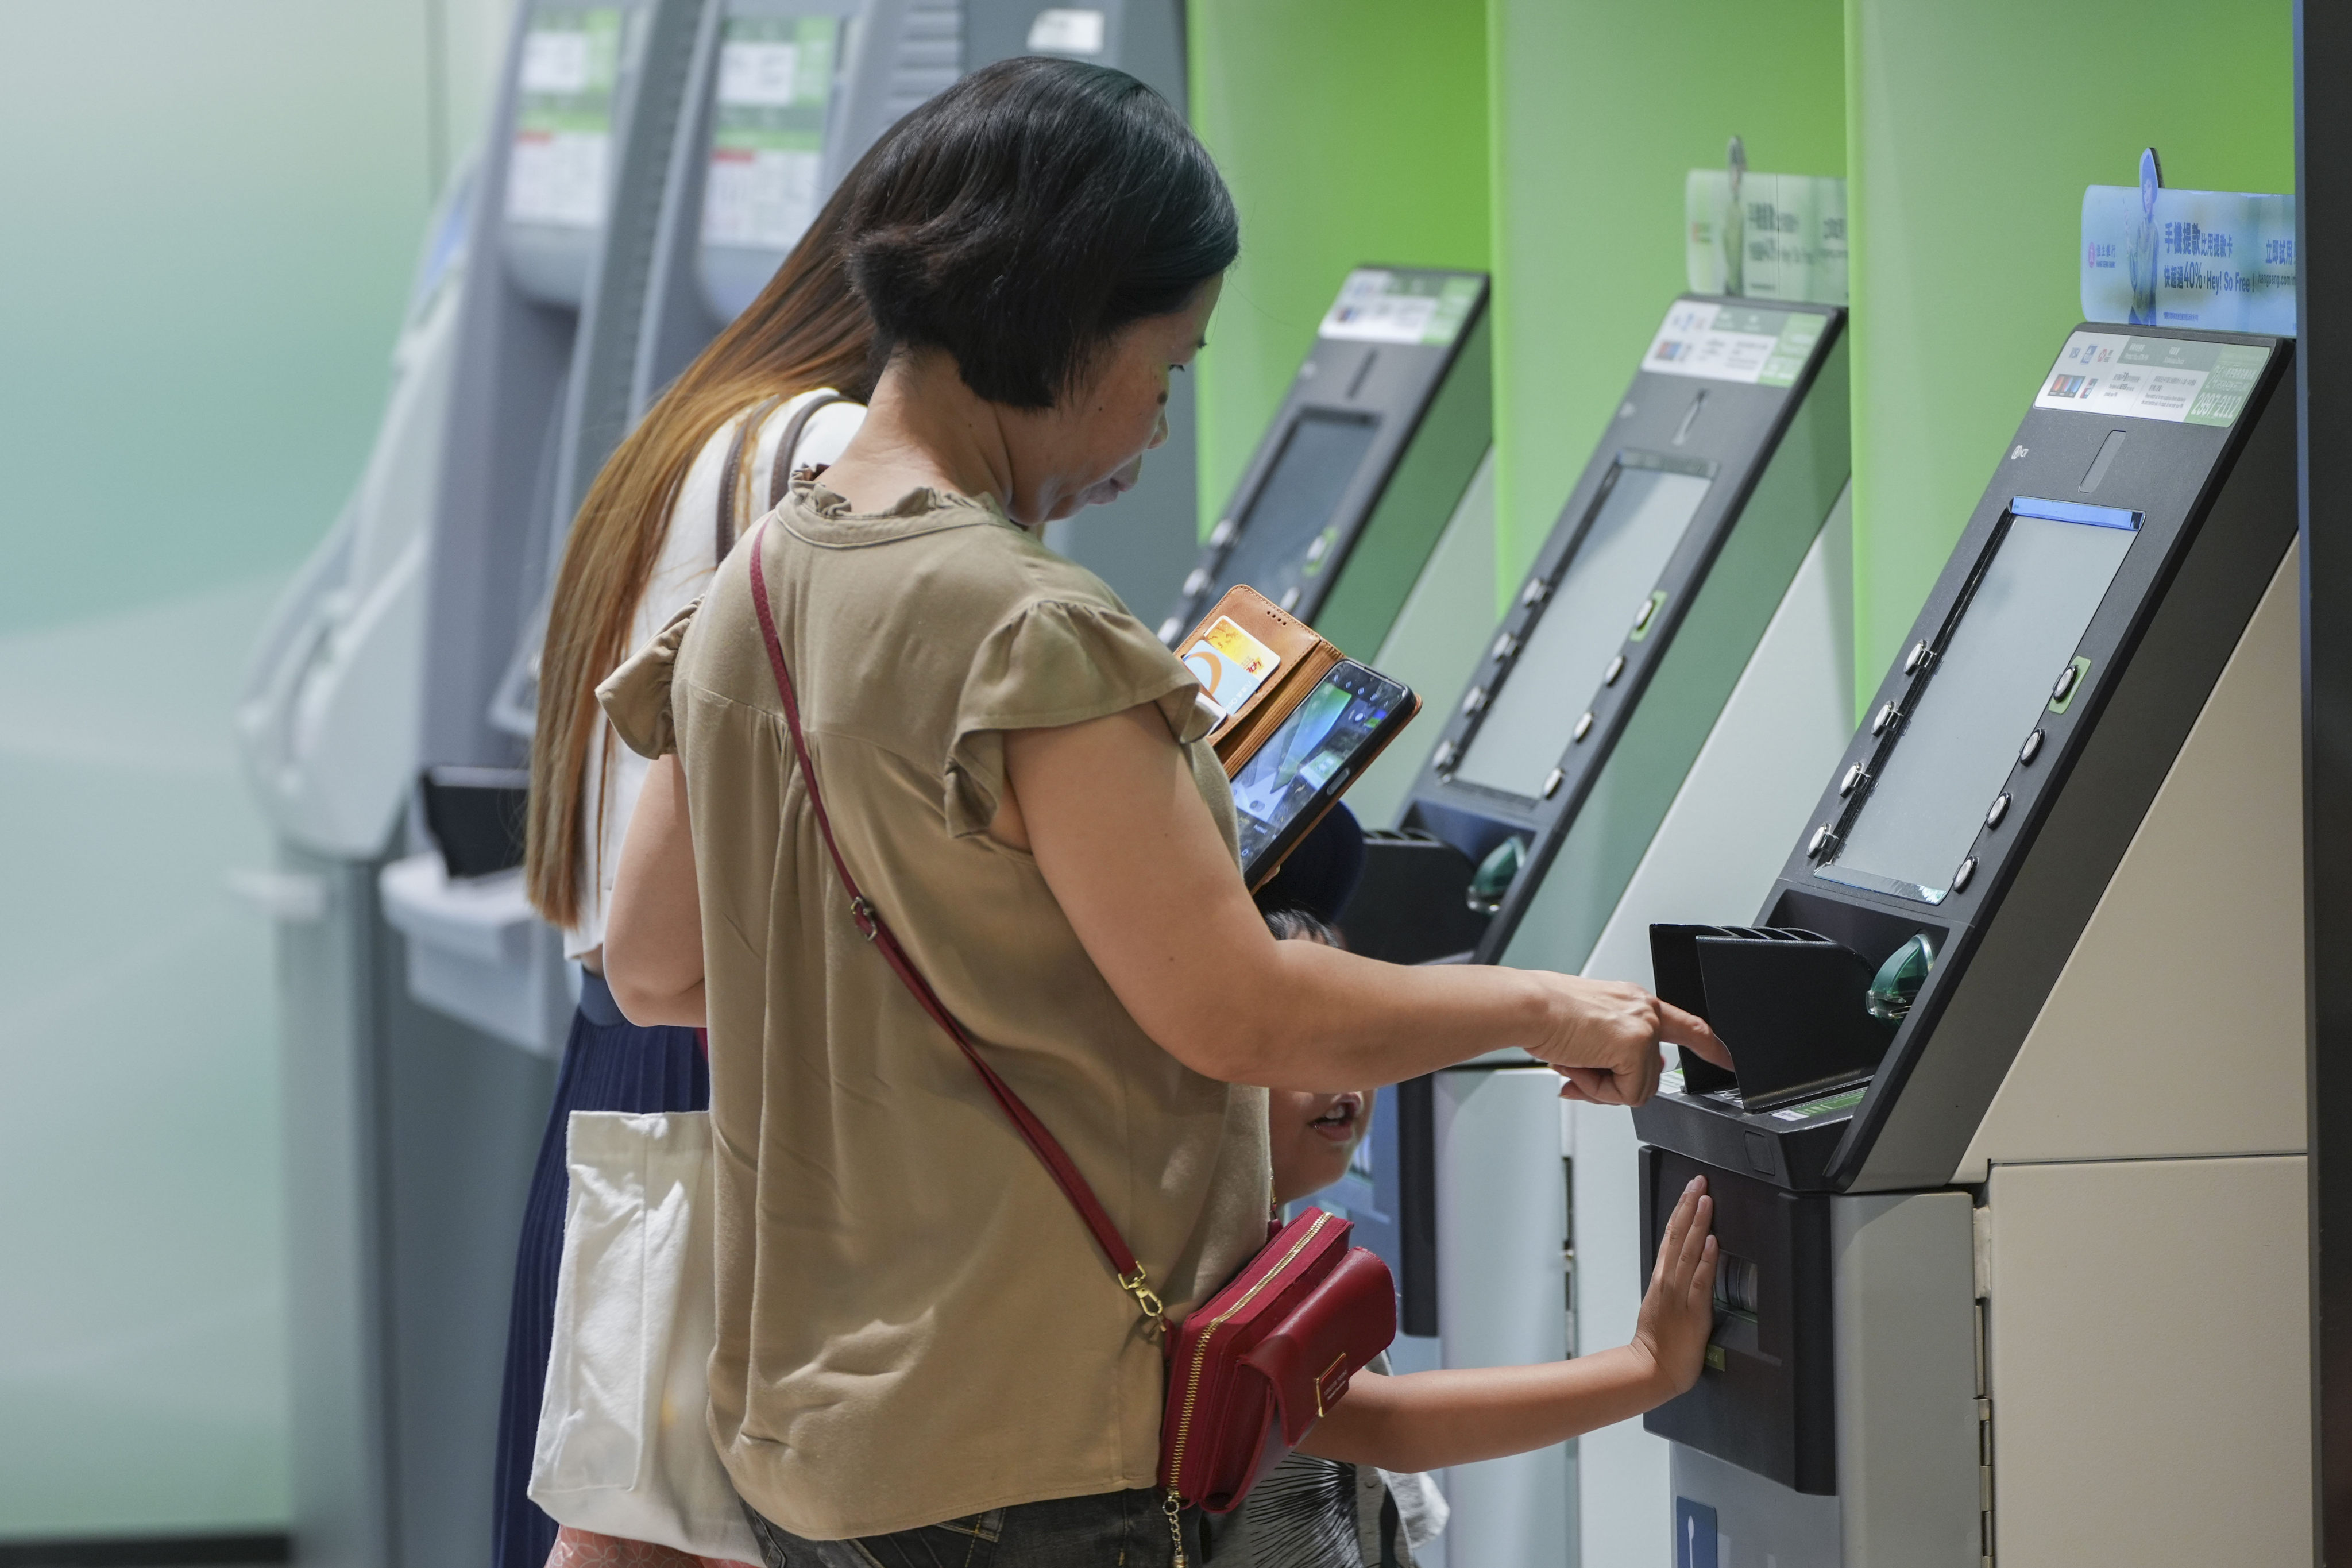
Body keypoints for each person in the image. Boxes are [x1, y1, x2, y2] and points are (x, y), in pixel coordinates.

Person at [596, 56, 1728, 1566]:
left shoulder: (748, 596)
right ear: (1064, 321)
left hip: (812, 1450)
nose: (1153, 409)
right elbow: (1237, 1014)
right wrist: (1536, 1007)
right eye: (1166, 358)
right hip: (1038, 1451)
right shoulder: (1026, 629)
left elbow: (655, 967)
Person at [492, 143, 881, 1568]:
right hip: (733, 1074)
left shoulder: (704, 425)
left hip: (625, 1066)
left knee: (611, 1523)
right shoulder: (835, 458)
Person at [1216, 911, 1717, 1568]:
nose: (1344, 1078)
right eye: (1303, 1040)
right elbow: (1390, 1424)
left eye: (1353, 1038)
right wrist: (1648, 1365)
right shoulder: (1207, 1274)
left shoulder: (1266, 1252)